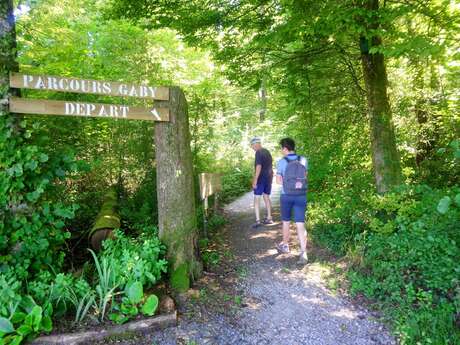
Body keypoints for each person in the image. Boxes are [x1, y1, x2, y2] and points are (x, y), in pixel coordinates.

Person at [275, 137, 309, 264]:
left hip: (286, 195)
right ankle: (303, 253)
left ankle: (285, 246)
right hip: (301, 195)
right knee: (300, 224)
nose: (281, 151)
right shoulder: (304, 160)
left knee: (286, 222)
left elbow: (278, 181)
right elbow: (304, 178)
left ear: (285, 148)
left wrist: (287, 183)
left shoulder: (282, 162)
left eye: (281, 149)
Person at [250, 137, 273, 228]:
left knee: (257, 198)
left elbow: (258, 166)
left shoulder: (258, 152)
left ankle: (258, 221)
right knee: (266, 197)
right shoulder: (267, 152)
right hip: (268, 178)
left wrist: (255, 179)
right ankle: (269, 218)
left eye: (252, 146)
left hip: (261, 179)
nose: (252, 148)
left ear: (256, 144)